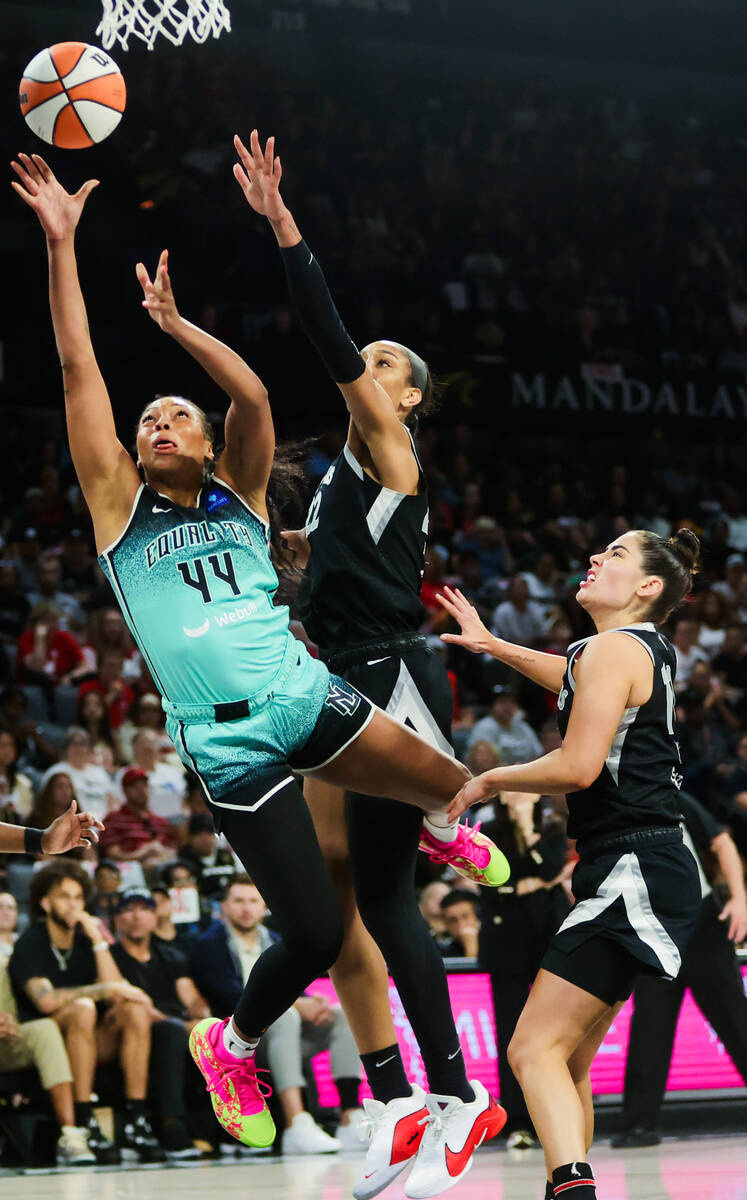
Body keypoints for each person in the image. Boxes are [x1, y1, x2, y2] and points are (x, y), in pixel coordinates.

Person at [13, 152, 507, 1183]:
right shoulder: (116, 509)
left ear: (209, 447)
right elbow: (74, 374)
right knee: (320, 931)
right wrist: (60, 245)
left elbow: (247, 391)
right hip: (225, 741)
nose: (157, 422)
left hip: (301, 689)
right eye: (149, 418)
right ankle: (233, 1046)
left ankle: (445, 839)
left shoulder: (241, 492)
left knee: (458, 788)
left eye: (175, 417)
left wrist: (177, 326)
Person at [233, 129, 508, 1196]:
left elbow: (324, 330)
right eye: (374, 363)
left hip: (384, 675)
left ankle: (437, 1083)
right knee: (361, 896)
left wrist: (283, 223)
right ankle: (422, 1093)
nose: (370, 370)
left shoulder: (392, 449)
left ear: (408, 401)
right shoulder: (348, 477)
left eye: (388, 368)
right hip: (355, 666)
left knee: (368, 887)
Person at [436, 528, 703, 1200]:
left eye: (614, 554)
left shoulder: (615, 647)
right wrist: (495, 646)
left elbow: (578, 766)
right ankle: (572, 1185)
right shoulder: (622, 649)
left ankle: (569, 1190)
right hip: (642, 864)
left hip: (629, 867)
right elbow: (568, 673)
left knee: (530, 1052)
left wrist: (490, 779)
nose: (594, 558)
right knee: (568, 1060)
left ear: (646, 586)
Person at [611, 791, 747, 1147]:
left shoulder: (676, 799)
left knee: (737, 1020)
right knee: (649, 1030)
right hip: (649, 928)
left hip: (702, 923)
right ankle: (640, 1124)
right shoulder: (610, 810)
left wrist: (739, 898)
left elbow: (721, 841)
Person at [190, 874, 359, 1154]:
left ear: (264, 906)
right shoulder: (208, 945)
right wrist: (296, 1005)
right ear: (225, 907)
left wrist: (310, 1002)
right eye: (239, 901)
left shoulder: (279, 939)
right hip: (238, 1038)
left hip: (282, 1039)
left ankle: (350, 1117)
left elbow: (292, 984)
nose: (246, 908)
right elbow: (233, 998)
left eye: (253, 901)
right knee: (285, 1016)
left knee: (342, 1015)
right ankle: (297, 1123)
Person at [8, 861, 164, 1164]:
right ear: (45, 902)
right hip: (45, 1039)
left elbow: (116, 990)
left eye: (79, 898)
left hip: (88, 1041)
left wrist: (97, 940)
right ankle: (83, 1120)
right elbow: (47, 1002)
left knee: (134, 1012)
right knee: (82, 1008)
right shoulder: (31, 942)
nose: (73, 905)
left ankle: (136, 1119)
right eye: (64, 897)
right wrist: (103, 991)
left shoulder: (83, 941)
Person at [477, 793, 570, 1150]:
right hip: (506, 945)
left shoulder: (550, 830)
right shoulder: (490, 831)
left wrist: (528, 831)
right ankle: (518, 1120)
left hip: (547, 939)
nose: (520, 796)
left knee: (555, 1032)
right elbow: (490, 883)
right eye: (513, 789)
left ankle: (559, 1115)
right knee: (511, 1033)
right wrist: (527, 886)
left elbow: (549, 868)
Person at [111, 887, 207, 1159]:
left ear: (155, 916)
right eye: (128, 909)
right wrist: (175, 1021)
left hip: (174, 1022)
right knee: (171, 1030)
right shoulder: (112, 956)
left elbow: (188, 994)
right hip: (134, 1028)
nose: (136, 916)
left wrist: (201, 1014)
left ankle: (227, 1127)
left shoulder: (170, 955)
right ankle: (172, 1125)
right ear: (117, 919)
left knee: (213, 1031)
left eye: (143, 908)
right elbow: (121, 1001)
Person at [0, 898, 90, 1166]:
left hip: (14, 1031)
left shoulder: (27, 945)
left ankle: (71, 1134)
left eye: (11, 907)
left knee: (46, 1028)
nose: (5, 912)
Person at [99, 766, 177, 870]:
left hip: (166, 869)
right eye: (134, 786)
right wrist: (142, 854)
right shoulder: (113, 819)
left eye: (144, 785)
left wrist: (160, 853)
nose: (141, 790)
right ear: (125, 791)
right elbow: (113, 855)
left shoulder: (161, 822)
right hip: (132, 872)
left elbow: (174, 851)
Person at [466, 684, 544, 763]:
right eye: (503, 702)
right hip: (496, 773)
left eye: (512, 702)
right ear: (492, 706)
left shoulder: (522, 726)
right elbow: (481, 762)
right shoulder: (484, 727)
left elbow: (538, 753)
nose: (508, 706)